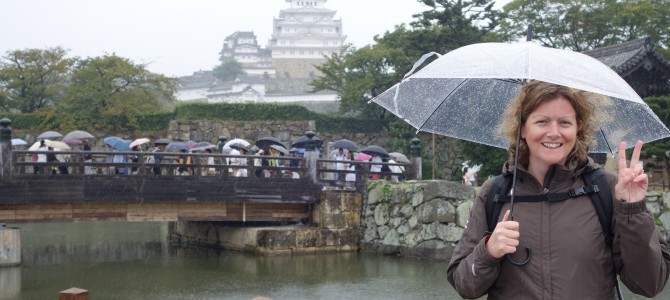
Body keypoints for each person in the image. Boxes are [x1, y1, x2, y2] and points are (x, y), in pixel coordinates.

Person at [447, 81, 670, 299]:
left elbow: (649, 284)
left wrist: (633, 211)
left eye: (564, 123)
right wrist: (489, 251)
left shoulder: (605, 189)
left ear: (578, 128)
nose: (554, 133)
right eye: (542, 122)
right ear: (522, 128)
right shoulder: (495, 193)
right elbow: (464, 284)